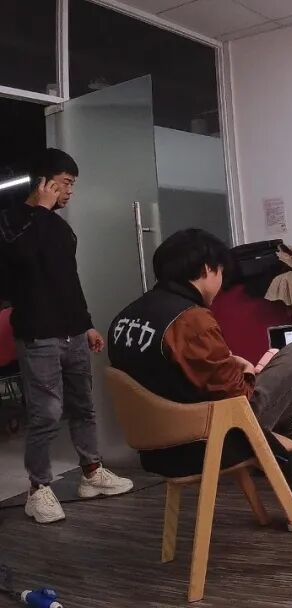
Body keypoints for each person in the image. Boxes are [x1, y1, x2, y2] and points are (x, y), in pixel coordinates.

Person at [107, 228, 292, 528]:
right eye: (221, 272)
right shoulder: (191, 319)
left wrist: (228, 362)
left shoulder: (124, 318)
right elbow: (235, 395)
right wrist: (249, 372)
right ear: (207, 269)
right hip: (207, 441)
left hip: (157, 447)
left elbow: (172, 376)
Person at [0, 148, 133, 524]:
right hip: (38, 334)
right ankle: (38, 489)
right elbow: (23, 259)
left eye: (72, 185)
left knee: (83, 406)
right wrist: (41, 211)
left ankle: (92, 473)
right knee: (45, 413)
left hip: (73, 332)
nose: (71, 192)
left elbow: (68, 281)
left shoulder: (60, 229)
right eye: (66, 183)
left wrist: (86, 323)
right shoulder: (10, 221)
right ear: (44, 182)